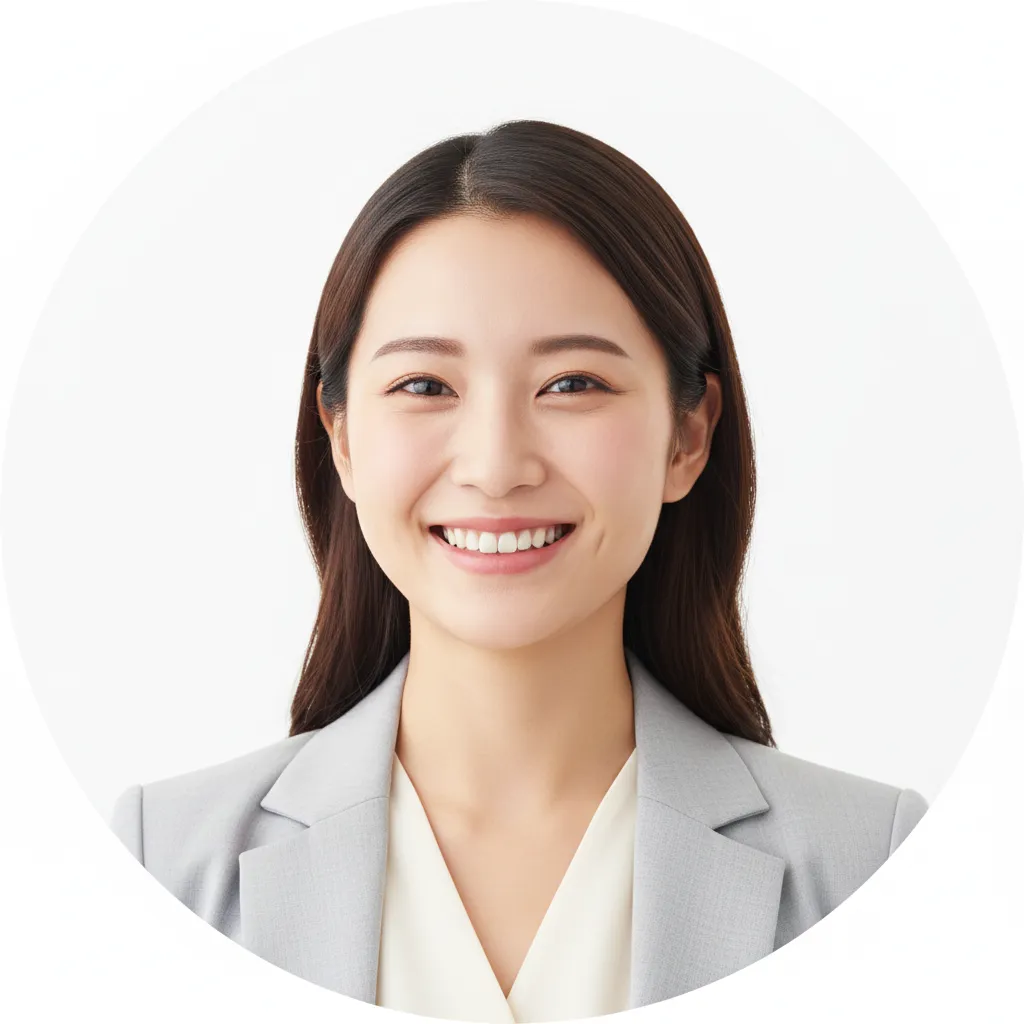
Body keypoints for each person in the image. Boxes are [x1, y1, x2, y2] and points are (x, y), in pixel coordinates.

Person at [109, 120, 928, 1022]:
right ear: (341, 438)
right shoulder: (164, 863)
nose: (496, 466)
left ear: (688, 436)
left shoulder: (872, 867)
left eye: (573, 383)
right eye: (425, 386)